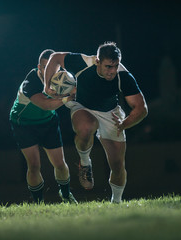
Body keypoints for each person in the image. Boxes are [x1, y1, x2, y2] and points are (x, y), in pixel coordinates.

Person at [44, 42, 148, 203]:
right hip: (82, 106)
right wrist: (47, 84)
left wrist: (124, 123)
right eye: (108, 66)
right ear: (97, 61)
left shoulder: (123, 76)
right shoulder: (83, 62)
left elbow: (141, 108)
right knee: (86, 127)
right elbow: (55, 57)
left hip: (110, 113)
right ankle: (85, 163)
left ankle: (117, 202)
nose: (112, 71)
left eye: (115, 66)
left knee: (117, 165)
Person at [9, 49, 77, 204]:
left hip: (47, 122)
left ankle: (66, 195)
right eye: (46, 68)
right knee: (34, 165)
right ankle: (38, 203)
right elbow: (46, 105)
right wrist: (67, 98)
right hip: (23, 124)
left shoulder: (63, 79)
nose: (51, 73)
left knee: (60, 164)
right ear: (39, 68)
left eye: (54, 68)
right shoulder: (30, 83)